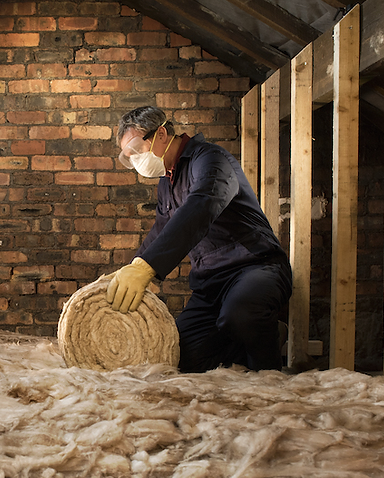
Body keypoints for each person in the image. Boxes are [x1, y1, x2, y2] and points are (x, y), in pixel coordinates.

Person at [106, 105, 292, 373]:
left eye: (136, 149)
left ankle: (265, 350)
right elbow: (162, 228)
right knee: (180, 355)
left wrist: (147, 267)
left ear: (160, 134)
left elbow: (203, 203)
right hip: (210, 284)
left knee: (242, 315)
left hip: (256, 267)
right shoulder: (166, 181)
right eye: (128, 156)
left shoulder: (210, 159)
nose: (135, 159)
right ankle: (252, 335)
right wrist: (133, 267)